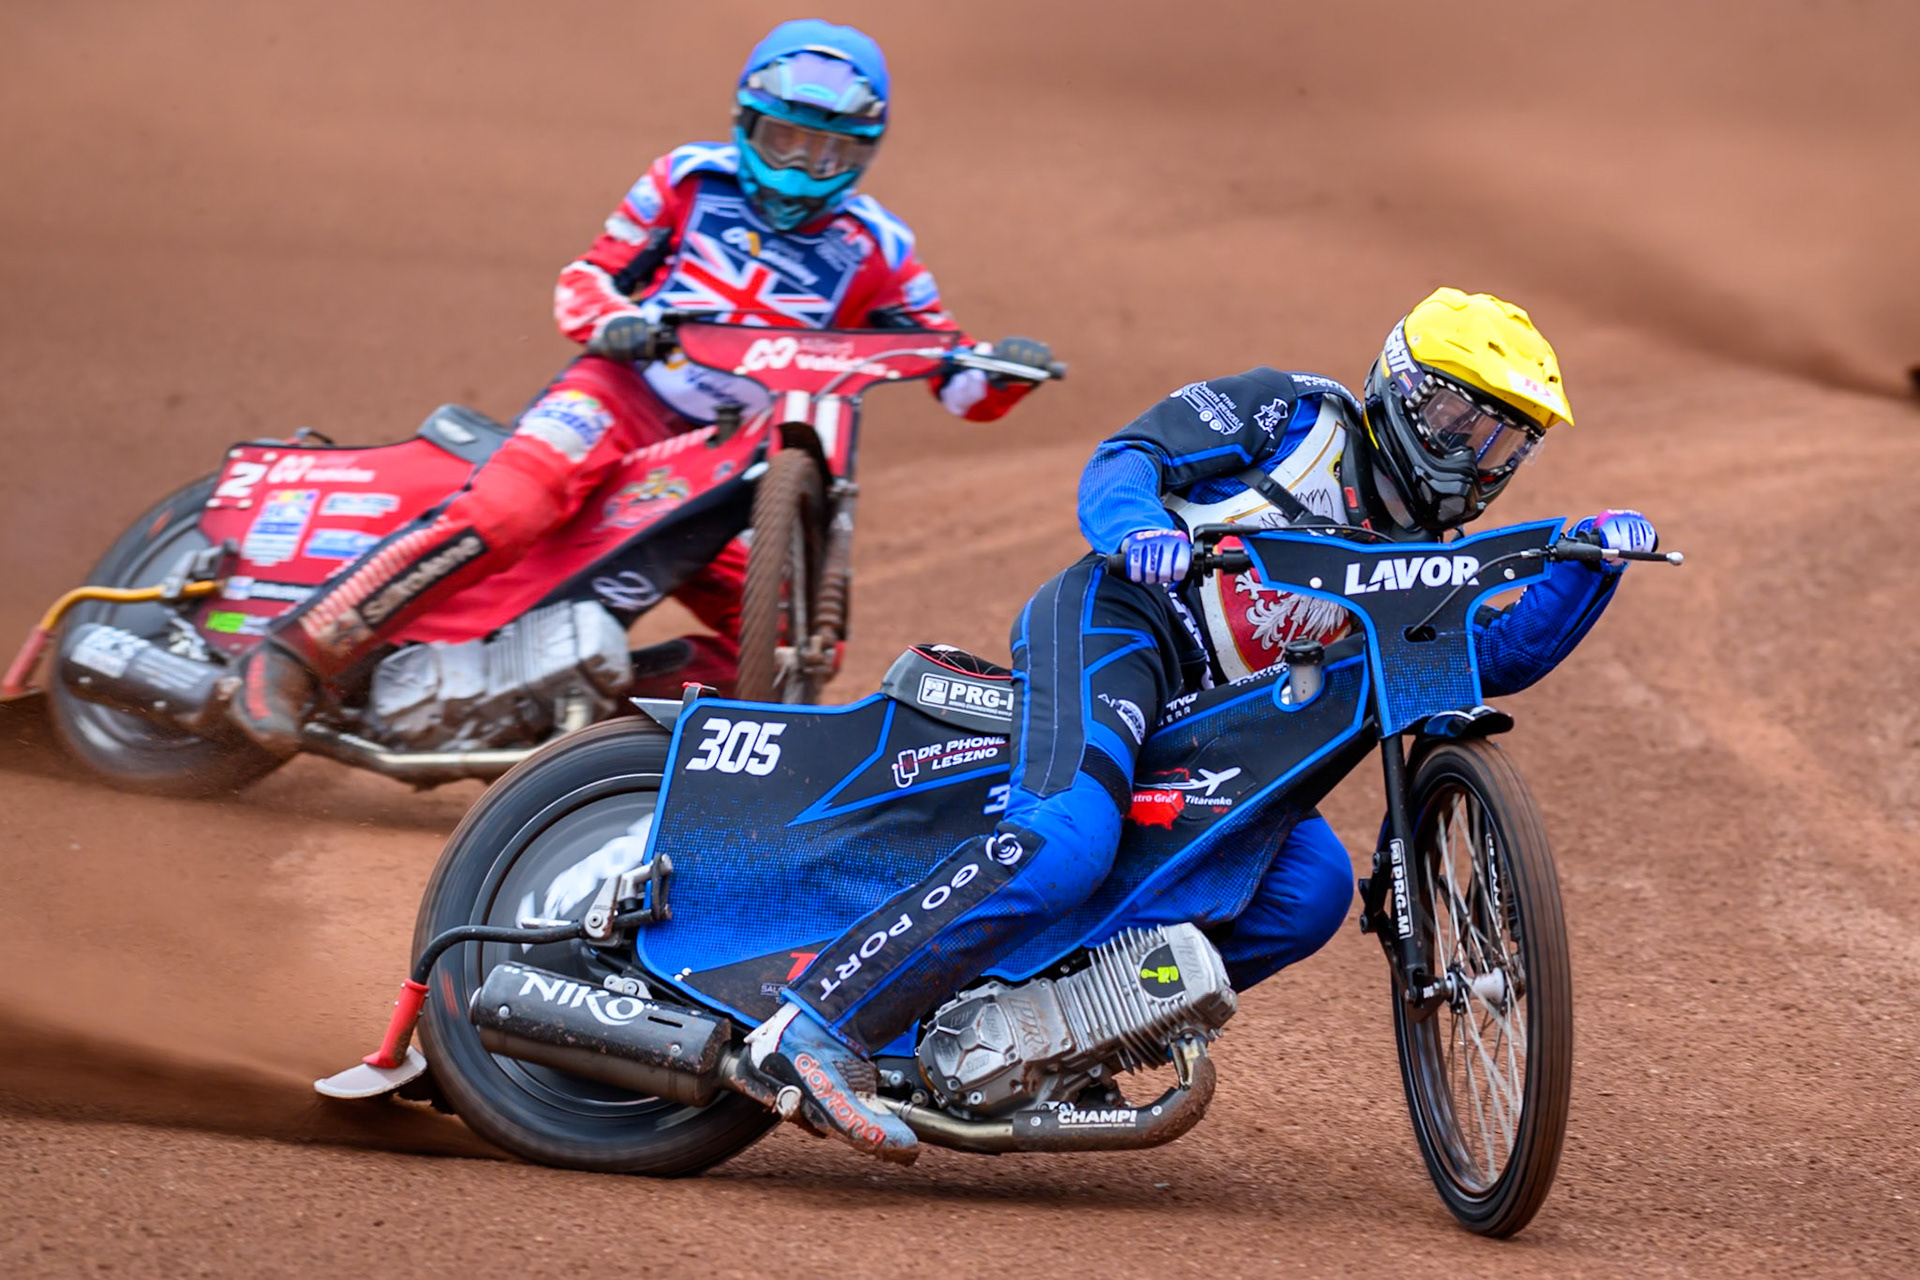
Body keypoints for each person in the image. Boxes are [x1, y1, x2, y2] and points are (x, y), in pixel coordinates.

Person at [745, 287, 1659, 1163]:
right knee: (1066, 838)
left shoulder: (1428, 557)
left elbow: (1491, 659)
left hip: (1216, 728)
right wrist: (1138, 527)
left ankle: (1059, 1037)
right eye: (1466, 423)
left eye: (1505, 442)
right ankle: (817, 1024)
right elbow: (1126, 455)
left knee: (1308, 889)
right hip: (1120, 628)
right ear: (1404, 390)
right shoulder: (1293, 414)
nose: (1477, 457)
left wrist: (1590, 564)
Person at [231, 18, 1051, 752]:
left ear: (865, 152)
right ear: (745, 125)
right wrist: (613, 321)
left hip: (730, 463)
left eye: (832, 151)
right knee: (508, 509)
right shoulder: (686, 182)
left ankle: (565, 731)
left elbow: (953, 380)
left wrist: (1001, 371)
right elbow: (582, 282)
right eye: (785, 141)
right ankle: (298, 653)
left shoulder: (879, 245)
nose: (805, 169)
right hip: (619, 400)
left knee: (786, 644)